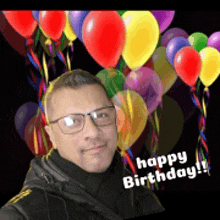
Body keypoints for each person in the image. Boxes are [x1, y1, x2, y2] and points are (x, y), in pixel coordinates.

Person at [0, 69, 164, 219]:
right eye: (72, 121)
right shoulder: (20, 215)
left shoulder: (144, 199)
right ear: (52, 137)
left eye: (101, 115)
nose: (92, 132)